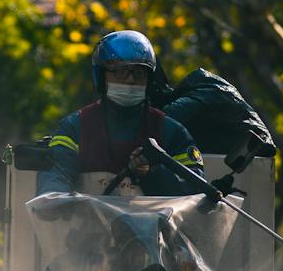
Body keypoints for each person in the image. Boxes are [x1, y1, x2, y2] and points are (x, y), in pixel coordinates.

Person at [37, 30, 205, 196]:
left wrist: (152, 173)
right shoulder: (74, 127)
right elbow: (53, 181)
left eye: (139, 73)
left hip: (158, 224)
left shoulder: (172, 131)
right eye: (121, 72)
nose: (131, 79)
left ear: (149, 80)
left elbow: (196, 192)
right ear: (101, 76)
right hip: (88, 223)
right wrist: (54, 200)